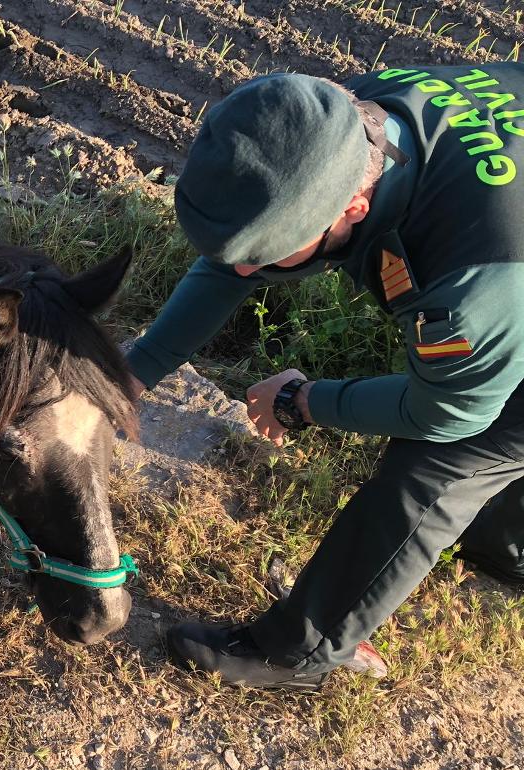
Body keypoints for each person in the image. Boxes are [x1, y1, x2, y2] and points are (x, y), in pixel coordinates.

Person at [125, 63, 524, 690]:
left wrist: (302, 400)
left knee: (444, 465)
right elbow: (234, 260)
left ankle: (299, 653)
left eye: (266, 256)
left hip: (504, 279)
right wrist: (135, 370)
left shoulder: (468, 290)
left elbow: (446, 413)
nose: (246, 272)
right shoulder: (333, 124)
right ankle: (508, 545)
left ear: (354, 207)